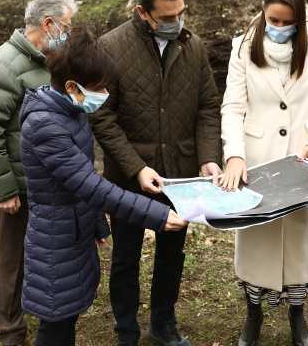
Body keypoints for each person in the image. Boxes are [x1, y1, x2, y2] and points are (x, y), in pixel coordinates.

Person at [19, 28, 187, 346]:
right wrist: (158, 216)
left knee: (66, 315)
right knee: (55, 324)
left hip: (73, 231)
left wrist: (96, 224)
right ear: (72, 86)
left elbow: (78, 179)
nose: (105, 94)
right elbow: (92, 185)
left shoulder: (69, 111)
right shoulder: (45, 126)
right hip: (54, 240)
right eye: (99, 88)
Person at [91, 0, 222, 346]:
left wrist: (209, 156)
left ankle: (164, 325)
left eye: (181, 13)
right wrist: (136, 167)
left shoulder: (192, 46)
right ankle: (127, 333)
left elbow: (207, 107)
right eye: (167, 17)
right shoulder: (110, 48)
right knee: (126, 257)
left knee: (171, 255)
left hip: (180, 177)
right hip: (129, 179)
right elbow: (102, 117)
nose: (176, 22)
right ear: (142, 12)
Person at [220, 0, 308, 346]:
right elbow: (233, 106)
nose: (281, 28)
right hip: (258, 163)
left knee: (300, 247)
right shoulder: (243, 47)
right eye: (274, 21)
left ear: (300, 19)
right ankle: (252, 314)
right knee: (259, 245)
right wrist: (235, 155)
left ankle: (297, 314)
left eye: (289, 23)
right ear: (263, 14)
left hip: (304, 163)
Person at [0, 0, 76, 346]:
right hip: (21, 187)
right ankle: (11, 330)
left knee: (42, 254)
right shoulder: (4, 64)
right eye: (68, 25)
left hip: (49, 185)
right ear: (48, 24)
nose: (70, 32)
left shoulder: (50, 60)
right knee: (14, 260)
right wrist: (3, 191)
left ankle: (40, 311)